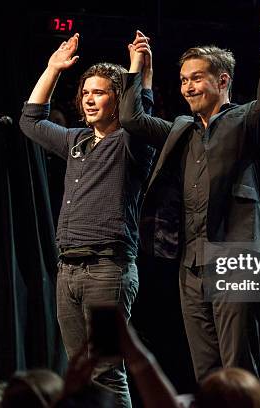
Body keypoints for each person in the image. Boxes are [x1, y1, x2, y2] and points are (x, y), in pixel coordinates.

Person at [120, 18, 260, 381]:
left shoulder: (245, 120)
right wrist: (139, 67)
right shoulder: (181, 130)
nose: (188, 87)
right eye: (184, 80)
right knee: (206, 372)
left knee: (238, 368)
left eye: (196, 78)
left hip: (237, 259)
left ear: (222, 80)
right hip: (191, 265)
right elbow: (131, 117)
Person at [19, 32, 155, 408]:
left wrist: (138, 69)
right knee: (79, 373)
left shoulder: (132, 140)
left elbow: (138, 109)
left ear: (117, 100)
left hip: (107, 268)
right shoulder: (76, 140)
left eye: (100, 93)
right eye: (85, 93)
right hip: (69, 271)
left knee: (107, 371)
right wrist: (52, 69)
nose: (90, 99)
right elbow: (30, 121)